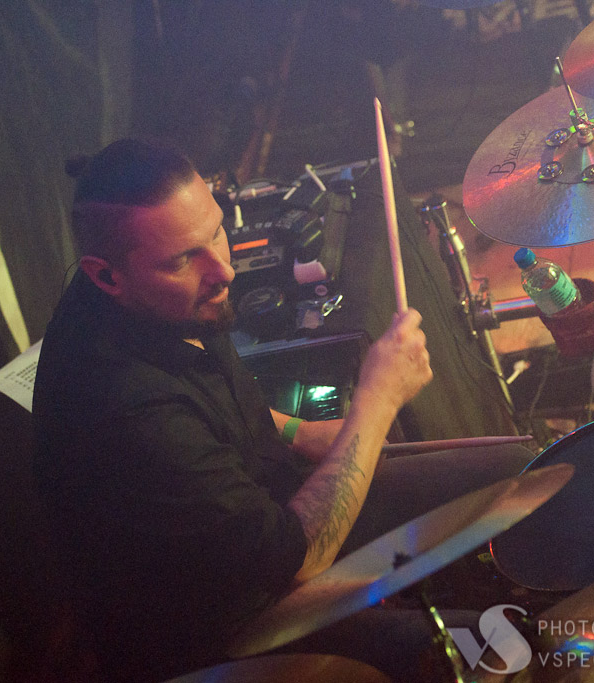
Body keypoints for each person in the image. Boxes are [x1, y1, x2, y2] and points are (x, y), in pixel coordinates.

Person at [32, 138, 532, 682]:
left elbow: (204, 405)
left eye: (216, 232)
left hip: (270, 513)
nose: (223, 270)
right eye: (182, 260)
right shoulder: (123, 405)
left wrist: (297, 429)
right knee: (495, 649)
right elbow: (297, 560)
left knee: (525, 471)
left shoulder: (150, 296)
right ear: (106, 275)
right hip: (225, 624)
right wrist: (376, 400)